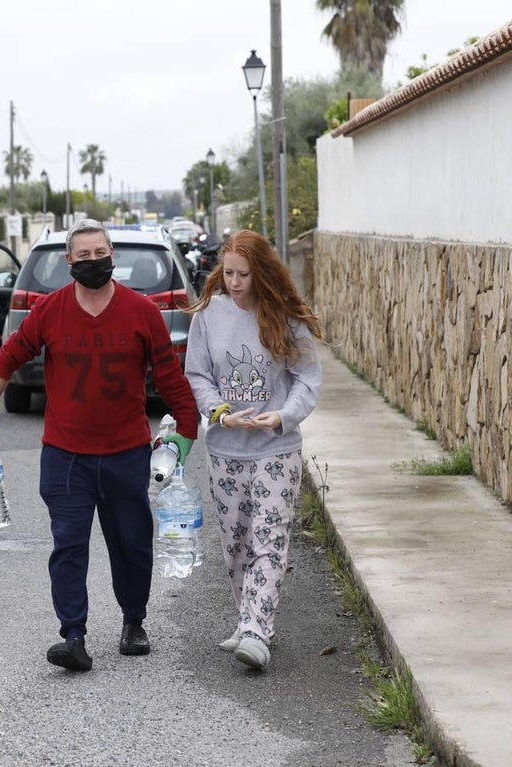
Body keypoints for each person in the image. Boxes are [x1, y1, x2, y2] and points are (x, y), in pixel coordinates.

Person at [0, 220, 198, 672]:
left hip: (126, 453)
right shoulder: (51, 311)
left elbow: (169, 375)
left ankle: (134, 622)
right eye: (84, 255)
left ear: (112, 255)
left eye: (100, 253)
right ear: (69, 262)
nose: (94, 261)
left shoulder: (142, 312)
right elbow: (10, 354)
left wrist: (187, 430)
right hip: (66, 455)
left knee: (130, 544)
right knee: (68, 544)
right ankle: (73, 636)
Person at [183, 229, 323, 671]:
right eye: (228, 273)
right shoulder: (209, 315)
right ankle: (247, 620)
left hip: (276, 449)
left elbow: (307, 379)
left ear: (260, 272)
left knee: (269, 539)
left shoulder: (284, 316)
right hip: (225, 449)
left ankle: (258, 632)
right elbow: (198, 375)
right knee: (236, 543)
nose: (235, 282)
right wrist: (219, 410)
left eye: (244, 274)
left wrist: (283, 415)